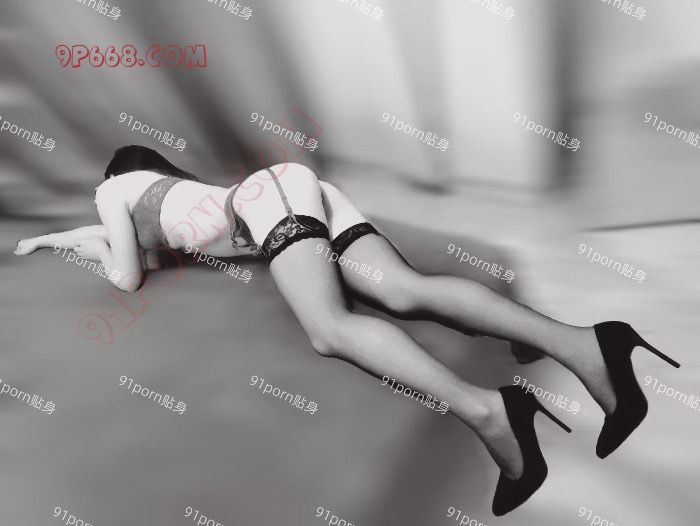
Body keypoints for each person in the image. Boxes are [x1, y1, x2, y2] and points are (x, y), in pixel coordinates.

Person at [14, 145, 680, 515]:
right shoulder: (162, 195)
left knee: (329, 329)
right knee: (404, 291)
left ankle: (493, 413)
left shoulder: (114, 191)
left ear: (114, 176)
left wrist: (89, 247)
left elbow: (127, 274)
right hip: (290, 189)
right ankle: (589, 345)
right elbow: (117, 239)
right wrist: (50, 240)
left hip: (269, 199)